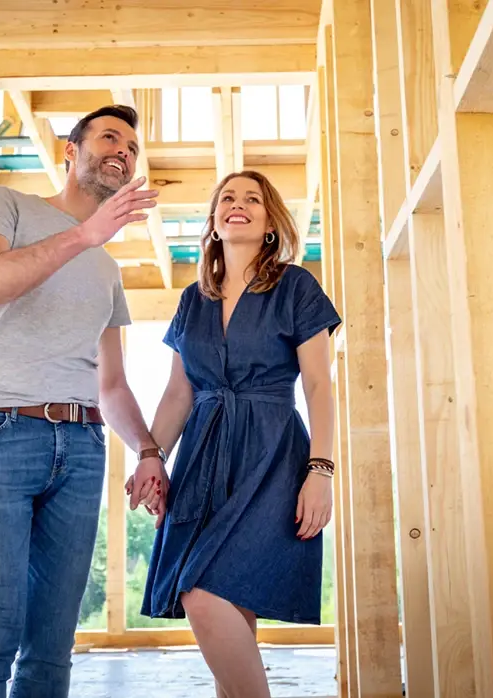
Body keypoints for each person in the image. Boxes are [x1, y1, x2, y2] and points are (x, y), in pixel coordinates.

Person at [0, 104, 166, 698]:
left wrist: (147, 450)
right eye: (109, 137)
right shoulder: (7, 205)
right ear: (71, 150)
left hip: (82, 448)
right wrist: (84, 235)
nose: (123, 150)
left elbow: (111, 384)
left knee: (51, 645)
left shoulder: (107, 268)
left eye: (132, 148)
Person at [128, 170, 341, 698]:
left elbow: (318, 384)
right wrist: (151, 456)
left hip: (272, 457)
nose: (238, 205)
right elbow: (179, 393)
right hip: (201, 456)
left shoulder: (295, 286)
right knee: (227, 601)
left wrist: (321, 469)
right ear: (214, 220)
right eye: (228, 198)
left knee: (201, 591)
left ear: (270, 223)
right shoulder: (192, 300)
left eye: (253, 199)